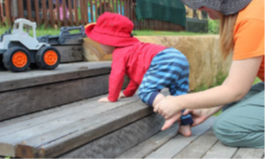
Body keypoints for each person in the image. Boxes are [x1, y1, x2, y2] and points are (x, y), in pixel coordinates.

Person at [154, 0, 264, 148]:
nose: (199, 8)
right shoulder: (249, 13)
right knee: (232, 109)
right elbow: (236, 80)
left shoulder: (252, 19)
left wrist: (178, 101)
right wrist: (206, 110)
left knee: (229, 128)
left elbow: (236, 90)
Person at [85, 12, 194, 136]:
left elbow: (117, 75)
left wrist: (112, 97)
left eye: (101, 41)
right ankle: (185, 127)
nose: (100, 45)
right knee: (179, 94)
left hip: (163, 59)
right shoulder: (135, 48)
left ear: (110, 41)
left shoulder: (120, 52)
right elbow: (138, 77)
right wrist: (127, 93)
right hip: (178, 56)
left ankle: (171, 111)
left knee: (146, 91)